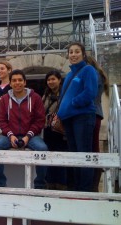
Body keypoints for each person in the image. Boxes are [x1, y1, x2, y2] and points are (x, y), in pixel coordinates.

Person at [0, 69, 48, 189]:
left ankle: (40, 185)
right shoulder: (5, 99)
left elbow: (40, 120)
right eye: (14, 80)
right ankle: (0, 184)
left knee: (43, 149)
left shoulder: (35, 98)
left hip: (31, 136)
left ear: (25, 82)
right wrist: (11, 135)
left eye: (20, 80)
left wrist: (28, 136)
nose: (17, 83)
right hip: (10, 136)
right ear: (10, 84)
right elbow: (2, 120)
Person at [57, 42, 98, 192]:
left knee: (83, 153)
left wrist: (73, 103)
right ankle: (76, 187)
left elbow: (90, 92)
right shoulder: (68, 75)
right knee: (74, 154)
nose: (73, 54)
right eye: (71, 52)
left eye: (77, 51)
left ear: (83, 54)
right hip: (69, 119)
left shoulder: (88, 70)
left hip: (83, 116)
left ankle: (85, 189)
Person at [86, 55, 109, 192]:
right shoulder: (97, 73)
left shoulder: (91, 74)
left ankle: (92, 185)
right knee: (93, 147)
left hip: (91, 114)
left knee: (92, 149)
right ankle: (93, 184)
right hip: (95, 113)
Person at [42, 70, 68, 190]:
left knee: (61, 157)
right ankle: (50, 183)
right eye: (48, 80)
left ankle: (61, 184)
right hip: (48, 131)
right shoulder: (46, 95)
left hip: (60, 131)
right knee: (49, 157)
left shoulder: (65, 94)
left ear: (59, 80)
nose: (51, 82)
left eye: (53, 79)